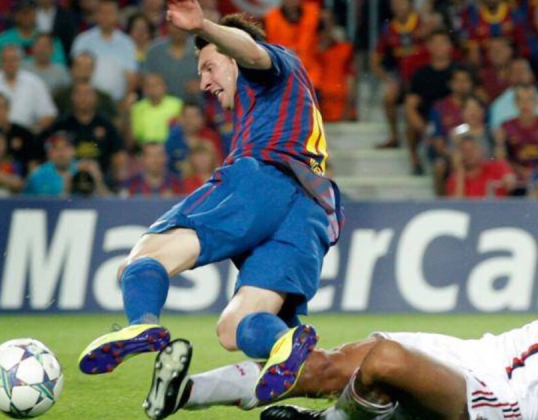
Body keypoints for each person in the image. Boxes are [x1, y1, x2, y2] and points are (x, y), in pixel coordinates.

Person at [144, 207, 538, 420]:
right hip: (474, 358)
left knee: (385, 360)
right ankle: (183, 393)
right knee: (330, 363)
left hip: (502, 404)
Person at [79, 3, 343, 420]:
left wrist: (203, 26)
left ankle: (142, 322)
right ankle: (283, 344)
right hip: (312, 211)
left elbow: (252, 51)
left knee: (145, 257)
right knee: (235, 327)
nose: (204, 82)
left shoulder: (271, 65)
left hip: (263, 181)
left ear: (232, 56)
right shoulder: (279, 105)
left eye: (208, 67)